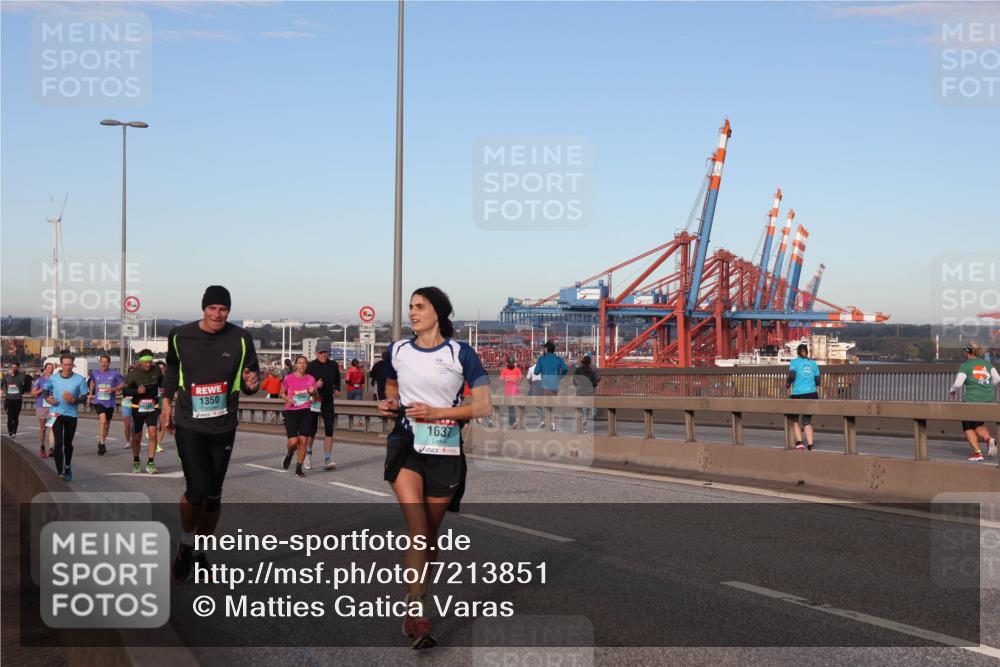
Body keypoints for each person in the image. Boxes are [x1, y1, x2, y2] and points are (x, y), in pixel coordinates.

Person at [377, 287, 491, 650]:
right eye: (410, 306)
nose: (412, 312)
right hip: (406, 444)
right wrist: (390, 402)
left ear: (438, 313)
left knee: (429, 535)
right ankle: (420, 611)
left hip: (444, 449)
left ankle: (417, 593)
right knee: (418, 528)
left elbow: (483, 406)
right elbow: (391, 382)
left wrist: (438, 412)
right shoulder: (398, 349)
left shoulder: (461, 354)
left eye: (420, 307)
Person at [161, 285, 260, 582]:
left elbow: (251, 379)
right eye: (212, 308)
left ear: (229, 311)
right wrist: (166, 402)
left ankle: (201, 551)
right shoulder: (180, 335)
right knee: (197, 489)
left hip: (223, 426)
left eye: (223, 309)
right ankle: (186, 544)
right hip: (189, 424)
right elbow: (171, 368)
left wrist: (253, 382)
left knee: (214, 496)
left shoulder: (241, 339)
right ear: (203, 308)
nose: (217, 314)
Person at [949, 341, 999, 462]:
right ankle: (988, 439)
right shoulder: (987, 364)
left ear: (967, 351)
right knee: (977, 424)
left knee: (967, 426)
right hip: (988, 400)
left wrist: (952, 391)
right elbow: (997, 378)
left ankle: (977, 453)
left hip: (972, 400)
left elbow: (958, 383)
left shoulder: (965, 366)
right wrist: (988, 386)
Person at [42, 352, 89, 481]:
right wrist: (48, 398)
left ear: (73, 365)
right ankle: (60, 471)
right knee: (58, 442)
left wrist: (74, 399)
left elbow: (84, 398)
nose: (68, 367)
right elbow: (45, 390)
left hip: (71, 415)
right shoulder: (54, 378)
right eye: (65, 364)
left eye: (70, 364)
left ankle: (67, 465)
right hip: (56, 413)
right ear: (61, 365)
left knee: (68, 443)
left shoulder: (80, 379)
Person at [123, 349, 164, 474]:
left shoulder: (157, 370)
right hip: (137, 409)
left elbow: (163, 383)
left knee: (152, 433)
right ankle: (136, 461)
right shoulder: (133, 374)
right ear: (140, 362)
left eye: (150, 362)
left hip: (153, 407)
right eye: (145, 362)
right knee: (137, 437)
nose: (148, 364)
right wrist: (136, 392)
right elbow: (124, 391)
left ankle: (150, 463)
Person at [280, 355, 318, 478]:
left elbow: (316, 398)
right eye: (300, 363)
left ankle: (298, 468)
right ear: (295, 365)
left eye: (304, 363)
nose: (302, 365)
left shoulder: (311, 379)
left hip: (306, 411)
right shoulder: (289, 378)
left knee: (303, 441)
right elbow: (281, 392)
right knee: (293, 441)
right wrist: (288, 399)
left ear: (307, 365)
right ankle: (290, 453)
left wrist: (314, 392)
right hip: (291, 411)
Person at [305, 344, 341, 471]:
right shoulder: (310, 366)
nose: (324, 354)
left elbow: (337, 379)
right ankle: (308, 455)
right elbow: (304, 384)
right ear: (316, 353)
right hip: (315, 400)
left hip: (328, 401)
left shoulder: (333, 365)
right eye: (321, 352)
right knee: (312, 430)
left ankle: (327, 458)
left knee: (329, 429)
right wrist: (315, 385)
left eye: (325, 352)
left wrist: (337, 388)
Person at [88, 354, 125, 455]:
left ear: (109, 363)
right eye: (102, 362)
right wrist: (91, 393)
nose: (104, 363)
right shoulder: (95, 373)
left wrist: (114, 389)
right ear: (100, 362)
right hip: (99, 401)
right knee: (103, 421)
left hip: (110, 402)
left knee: (107, 424)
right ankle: (103, 443)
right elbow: (92, 382)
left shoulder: (114, 373)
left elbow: (123, 383)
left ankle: (101, 442)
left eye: (106, 362)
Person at [787, 343, 821, 450]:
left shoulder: (794, 362)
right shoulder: (813, 364)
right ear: (807, 352)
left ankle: (799, 443)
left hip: (798, 394)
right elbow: (818, 381)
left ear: (797, 352)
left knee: (795, 419)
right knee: (806, 420)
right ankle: (810, 445)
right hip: (812, 394)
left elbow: (792, 375)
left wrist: (788, 383)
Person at [533, 341, 568, 431]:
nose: (543, 350)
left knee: (547, 405)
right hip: (555, 385)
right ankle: (552, 424)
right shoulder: (558, 359)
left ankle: (550, 424)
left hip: (545, 385)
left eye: (544, 348)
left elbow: (536, 372)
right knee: (551, 405)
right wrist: (560, 377)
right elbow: (565, 369)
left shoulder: (542, 359)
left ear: (546, 349)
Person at [29, 362, 55, 458]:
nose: (50, 370)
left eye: (52, 368)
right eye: (48, 368)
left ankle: (52, 448)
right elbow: (32, 393)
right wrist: (42, 390)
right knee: (43, 428)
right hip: (42, 406)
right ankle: (42, 446)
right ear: (45, 369)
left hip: (53, 406)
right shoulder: (39, 380)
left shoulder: (56, 380)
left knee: (53, 427)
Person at [572, 355, 600, 433]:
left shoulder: (578, 370)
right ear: (589, 362)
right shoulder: (592, 371)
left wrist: (577, 386)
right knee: (586, 409)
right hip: (589, 392)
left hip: (580, 391)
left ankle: (578, 426)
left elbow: (574, 380)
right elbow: (595, 383)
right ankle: (584, 425)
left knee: (579, 409)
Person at [2, 361, 30, 438]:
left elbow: (27, 381)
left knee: (15, 417)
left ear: (18, 367)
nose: (13, 369)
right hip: (9, 399)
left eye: (15, 367)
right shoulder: (6, 376)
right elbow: (2, 385)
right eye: (12, 367)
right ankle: (10, 432)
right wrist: (3, 391)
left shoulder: (21, 375)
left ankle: (14, 431)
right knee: (9, 417)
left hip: (18, 399)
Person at [499, 356, 523, 427]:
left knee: (511, 406)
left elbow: (501, 379)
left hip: (508, 390)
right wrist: (518, 383)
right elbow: (521, 377)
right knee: (515, 406)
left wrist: (506, 380)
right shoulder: (517, 369)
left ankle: (513, 421)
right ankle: (514, 421)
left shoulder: (504, 370)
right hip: (515, 389)